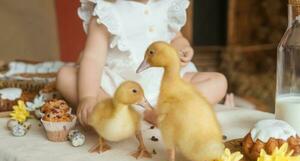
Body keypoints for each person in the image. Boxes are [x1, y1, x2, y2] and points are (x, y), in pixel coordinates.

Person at [56, 0, 228, 126]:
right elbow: (93, 58)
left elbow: (175, 37)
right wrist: (88, 97)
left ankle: (166, 111)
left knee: (218, 82)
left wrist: (182, 48)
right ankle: (121, 113)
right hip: (119, 86)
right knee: (65, 76)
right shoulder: (107, 11)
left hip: (166, 83)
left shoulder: (166, 4)